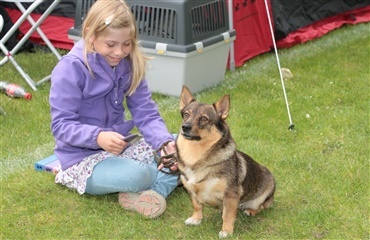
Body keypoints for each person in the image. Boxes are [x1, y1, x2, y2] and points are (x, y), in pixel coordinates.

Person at [49, 0, 178, 219]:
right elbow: (61, 126)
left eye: (127, 44)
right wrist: (97, 136)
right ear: (91, 34)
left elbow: (145, 112)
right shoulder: (70, 68)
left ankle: (154, 194)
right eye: (111, 44)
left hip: (121, 147)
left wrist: (165, 143)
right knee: (140, 175)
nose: (119, 52)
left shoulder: (129, 63)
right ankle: (156, 182)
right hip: (82, 159)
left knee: (185, 149)